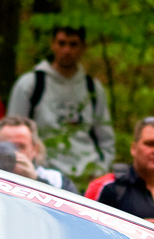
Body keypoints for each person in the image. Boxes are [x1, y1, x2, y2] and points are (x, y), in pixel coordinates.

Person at [7, 26, 115, 178]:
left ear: (83, 47)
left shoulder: (94, 88)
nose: (67, 50)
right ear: (53, 44)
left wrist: (99, 169)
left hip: (86, 176)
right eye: (62, 43)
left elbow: (106, 137)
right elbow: (11, 134)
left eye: (73, 44)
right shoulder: (31, 84)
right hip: (43, 176)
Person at [0, 115, 78, 193]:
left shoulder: (56, 180)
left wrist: (34, 180)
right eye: (7, 146)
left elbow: (72, 209)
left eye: (21, 147)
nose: (14, 152)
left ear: (34, 150)